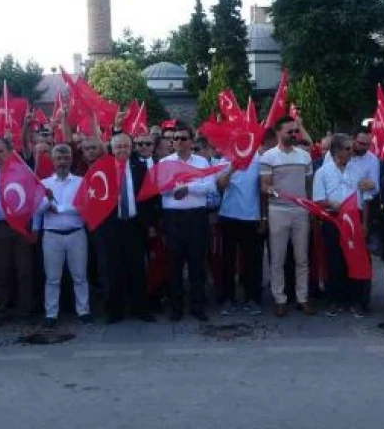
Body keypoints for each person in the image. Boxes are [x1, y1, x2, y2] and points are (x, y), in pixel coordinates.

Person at [95, 134, 158, 323]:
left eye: (126, 146)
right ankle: (114, 310)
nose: (122, 149)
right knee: (112, 269)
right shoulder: (102, 169)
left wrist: (150, 225)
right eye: (118, 146)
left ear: (131, 148)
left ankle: (141, 308)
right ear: (111, 149)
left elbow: (149, 199)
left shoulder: (140, 168)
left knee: (137, 268)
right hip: (110, 227)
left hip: (134, 225)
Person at [160, 122, 216, 322]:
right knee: (174, 264)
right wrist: (176, 189)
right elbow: (160, 188)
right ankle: (176, 307)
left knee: (197, 264)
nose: (179, 142)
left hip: (196, 216)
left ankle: (197, 305)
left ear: (191, 141)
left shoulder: (201, 162)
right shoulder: (165, 162)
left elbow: (209, 186)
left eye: (184, 138)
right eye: (175, 139)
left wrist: (188, 188)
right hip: (173, 218)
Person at [260, 116, 314, 317]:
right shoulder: (268, 157)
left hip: (301, 211)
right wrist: (272, 191)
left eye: (295, 131)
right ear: (278, 133)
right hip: (278, 211)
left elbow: (309, 185)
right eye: (289, 131)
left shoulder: (304, 156)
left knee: (302, 257)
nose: (293, 135)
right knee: (278, 258)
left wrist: (309, 207)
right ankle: (279, 299)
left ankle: (302, 298)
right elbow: (264, 186)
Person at [39, 144, 92, 327]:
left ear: (71, 160)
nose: (62, 162)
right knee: (52, 278)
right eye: (58, 159)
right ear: (53, 161)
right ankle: (51, 313)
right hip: (52, 235)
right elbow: (36, 209)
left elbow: (84, 206)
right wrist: (46, 203)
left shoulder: (81, 182)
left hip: (76, 233)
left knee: (80, 276)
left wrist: (60, 208)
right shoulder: (44, 184)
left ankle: (83, 310)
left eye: (66, 158)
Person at [0, 137, 36, 320]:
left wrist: (34, 226)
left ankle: (26, 309)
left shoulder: (23, 172)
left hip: (21, 225)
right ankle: (1, 309)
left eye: (0, 151)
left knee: (24, 269)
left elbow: (33, 201)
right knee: (1, 269)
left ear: (9, 152)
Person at [313, 134, 365, 317]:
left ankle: (354, 300)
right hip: (333, 219)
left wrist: (364, 222)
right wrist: (333, 205)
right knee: (334, 261)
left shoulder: (357, 170)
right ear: (337, 151)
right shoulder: (322, 172)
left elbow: (364, 199)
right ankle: (334, 300)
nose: (352, 152)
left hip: (353, 219)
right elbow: (318, 200)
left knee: (354, 260)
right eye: (348, 148)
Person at [216, 133, 267, 316]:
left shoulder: (259, 160)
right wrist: (232, 167)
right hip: (228, 215)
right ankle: (227, 298)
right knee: (228, 260)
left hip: (252, 217)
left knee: (252, 261)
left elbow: (263, 191)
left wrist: (263, 218)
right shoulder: (224, 160)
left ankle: (252, 298)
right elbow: (220, 185)